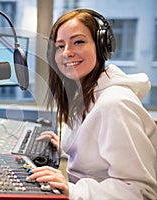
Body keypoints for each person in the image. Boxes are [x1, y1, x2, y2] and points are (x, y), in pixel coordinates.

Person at [28, 8, 157, 199]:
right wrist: (68, 145)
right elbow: (99, 156)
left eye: (78, 42)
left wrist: (73, 190)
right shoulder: (85, 96)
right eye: (60, 46)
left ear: (101, 47)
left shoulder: (115, 104)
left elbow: (141, 192)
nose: (67, 53)